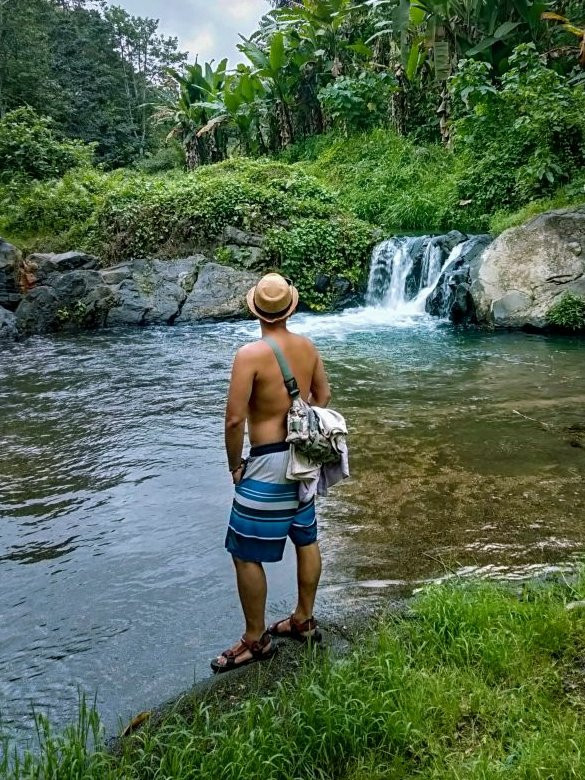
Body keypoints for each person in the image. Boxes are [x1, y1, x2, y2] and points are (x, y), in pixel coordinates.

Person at [211, 273, 331, 673]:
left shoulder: (250, 355)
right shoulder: (308, 347)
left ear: (256, 310)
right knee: (305, 537)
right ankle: (303, 618)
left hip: (267, 463)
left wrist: (234, 465)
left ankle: (255, 639)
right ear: (290, 308)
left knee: (244, 553)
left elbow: (233, 420)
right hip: (303, 460)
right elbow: (323, 397)